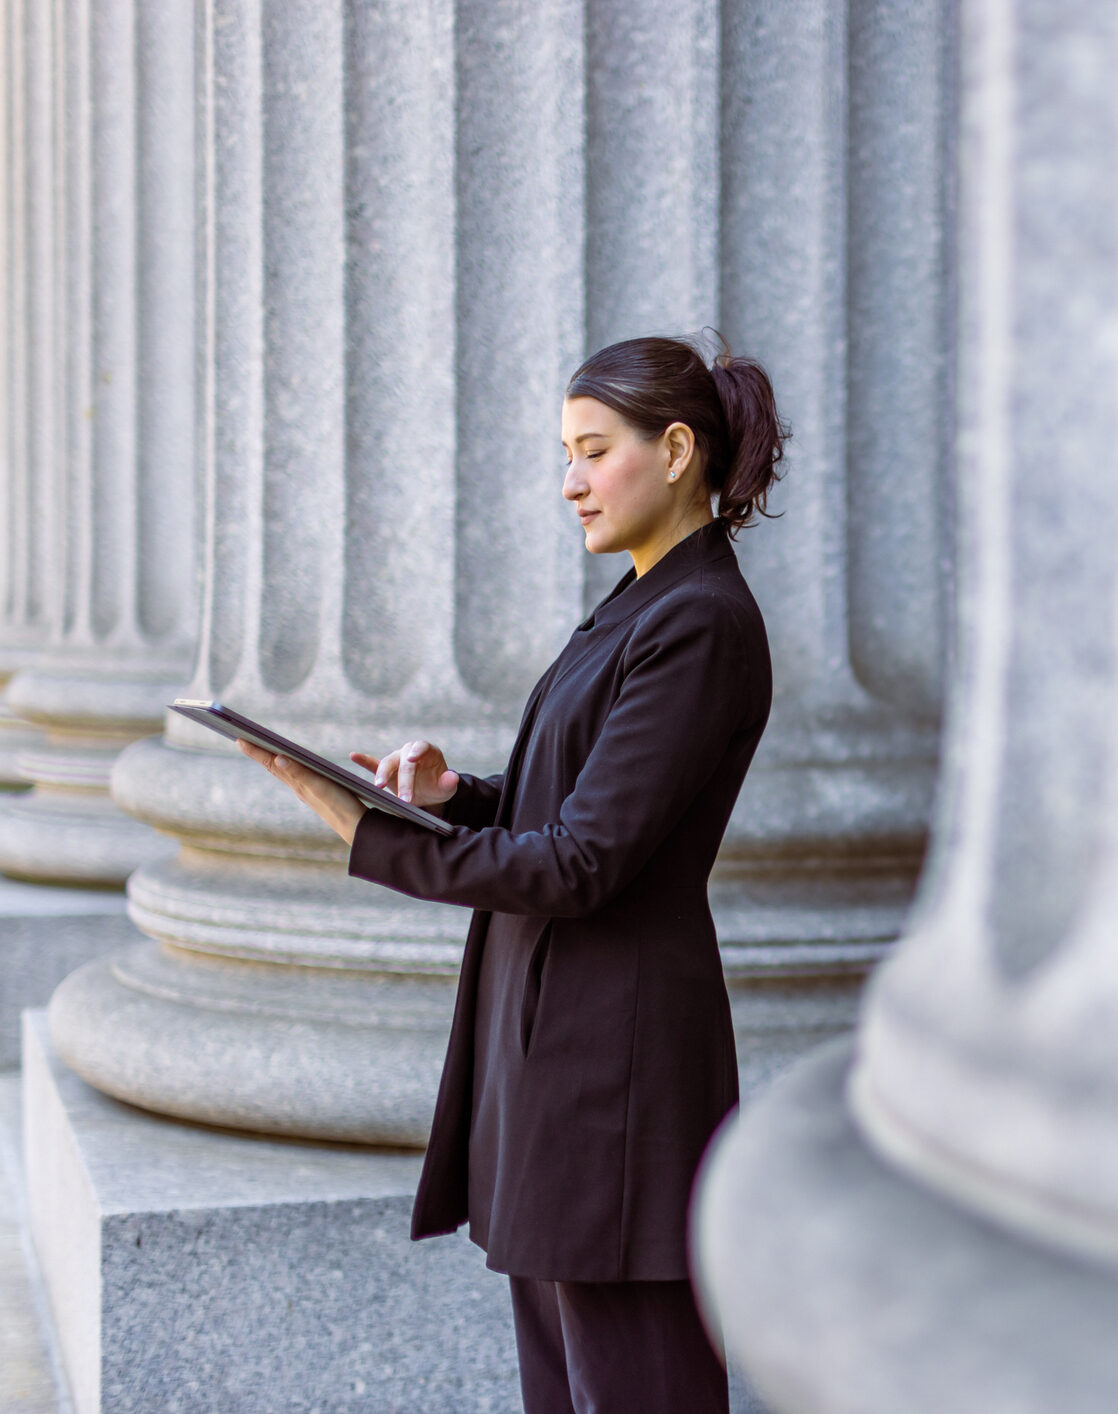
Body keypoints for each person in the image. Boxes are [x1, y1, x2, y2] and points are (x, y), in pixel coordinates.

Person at [239, 333, 786, 1413]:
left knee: (639, 1384)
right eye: (564, 453)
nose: (569, 481)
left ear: (675, 449)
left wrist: (373, 835)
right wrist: (455, 797)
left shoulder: (699, 622)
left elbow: (585, 863)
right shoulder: (642, 603)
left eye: (591, 450)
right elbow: (584, 808)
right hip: (559, 1062)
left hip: (614, 1076)